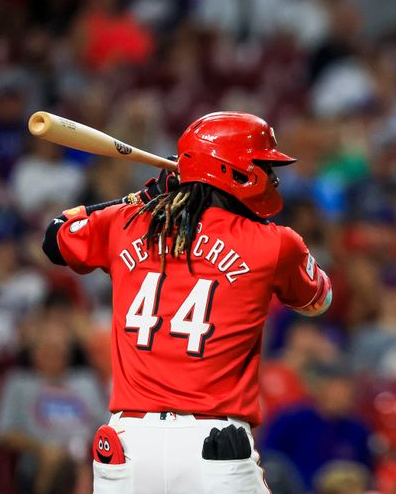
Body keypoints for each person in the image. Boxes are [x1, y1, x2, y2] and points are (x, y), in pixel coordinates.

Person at [41, 112, 332, 493]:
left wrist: (135, 200)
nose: (274, 178)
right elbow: (317, 301)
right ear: (236, 172)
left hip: (127, 447)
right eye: (264, 164)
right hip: (213, 447)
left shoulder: (127, 221)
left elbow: (55, 237)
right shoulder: (275, 243)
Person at [0, 318, 106, 494]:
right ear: (33, 352)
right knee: (57, 466)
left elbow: (106, 426)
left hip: (85, 456)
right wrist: (41, 449)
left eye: (59, 349)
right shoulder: (18, 382)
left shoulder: (85, 381)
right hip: (38, 459)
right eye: (47, 349)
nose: (54, 355)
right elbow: (4, 433)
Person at [262, 360, 372, 489]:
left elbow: (366, 470)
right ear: (320, 388)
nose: (346, 395)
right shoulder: (290, 420)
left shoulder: (358, 429)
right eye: (339, 388)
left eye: (349, 389)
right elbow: (271, 459)